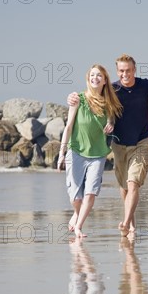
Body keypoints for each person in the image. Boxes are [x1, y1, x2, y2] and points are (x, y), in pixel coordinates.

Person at [68, 54, 148, 237]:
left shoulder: (145, 85)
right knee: (125, 187)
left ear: (134, 70)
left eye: (128, 70)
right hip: (119, 144)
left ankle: (125, 223)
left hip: (142, 142)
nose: (125, 74)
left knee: (133, 183)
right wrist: (73, 97)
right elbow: (91, 94)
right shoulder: (112, 89)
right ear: (117, 71)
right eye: (121, 71)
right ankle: (131, 224)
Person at [57, 64, 122, 238]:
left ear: (105, 80)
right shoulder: (77, 99)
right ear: (88, 78)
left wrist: (111, 123)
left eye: (99, 75)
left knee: (91, 192)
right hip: (76, 151)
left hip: (98, 153)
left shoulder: (109, 102)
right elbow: (69, 126)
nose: (95, 78)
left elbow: (111, 119)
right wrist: (61, 154)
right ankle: (77, 213)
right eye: (92, 75)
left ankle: (78, 226)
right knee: (76, 198)